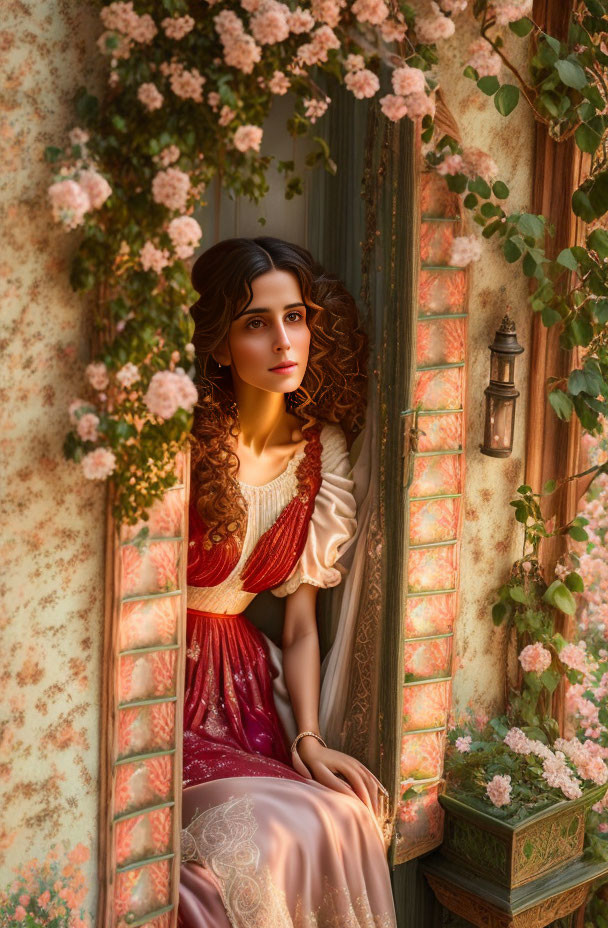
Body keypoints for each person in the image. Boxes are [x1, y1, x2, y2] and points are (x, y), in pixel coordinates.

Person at [179, 236, 397, 928]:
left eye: (295, 316)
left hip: (243, 691)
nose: (283, 340)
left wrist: (309, 738)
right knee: (262, 839)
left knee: (345, 814)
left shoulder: (318, 452)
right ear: (218, 346)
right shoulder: (180, 440)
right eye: (255, 322)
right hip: (159, 688)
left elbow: (301, 624)